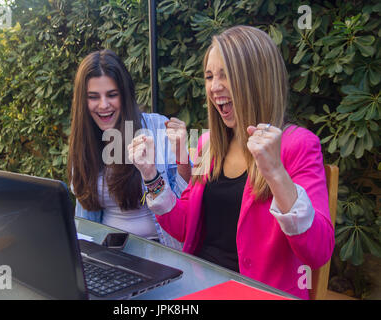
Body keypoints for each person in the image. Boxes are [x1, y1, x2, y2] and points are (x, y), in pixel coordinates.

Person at [128, 26, 335, 299]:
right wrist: (151, 175)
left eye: (226, 75)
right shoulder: (208, 145)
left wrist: (275, 173)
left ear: (257, 79)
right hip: (198, 286)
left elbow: (318, 252)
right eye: (210, 76)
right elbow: (183, 228)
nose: (214, 87)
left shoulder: (298, 145)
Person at [67, 49, 191, 250]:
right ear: (83, 101)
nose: (103, 105)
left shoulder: (158, 128)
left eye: (112, 95)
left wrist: (181, 156)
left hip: (162, 250)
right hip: (108, 253)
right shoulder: (84, 142)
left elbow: (187, 201)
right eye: (93, 97)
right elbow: (85, 219)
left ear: (125, 95)